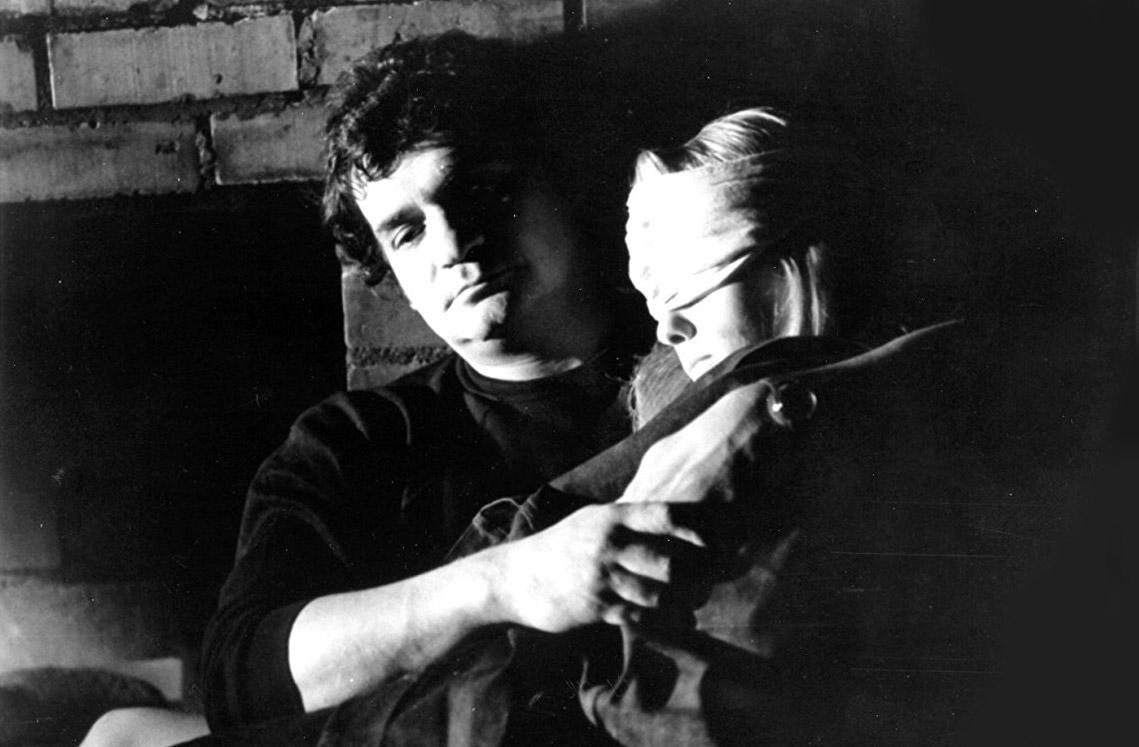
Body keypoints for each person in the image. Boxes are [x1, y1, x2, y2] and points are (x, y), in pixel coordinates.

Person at [316, 107, 1006, 746]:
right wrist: (507, 580)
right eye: (406, 231)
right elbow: (266, 673)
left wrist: (780, 396)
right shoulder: (356, 437)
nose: (454, 244)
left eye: (481, 193)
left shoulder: (789, 390)